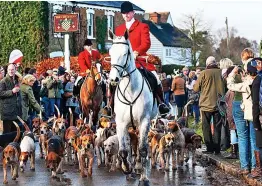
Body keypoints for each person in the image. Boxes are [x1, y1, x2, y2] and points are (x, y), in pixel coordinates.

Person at [115, 1, 169, 114]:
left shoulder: (142, 26)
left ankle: (161, 103)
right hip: (124, 64)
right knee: (112, 80)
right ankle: (110, 105)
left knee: (155, 78)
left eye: (128, 13)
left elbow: (146, 43)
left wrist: (137, 52)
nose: (126, 16)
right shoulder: (119, 29)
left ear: (133, 13)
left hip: (140, 61)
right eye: (123, 13)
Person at [227, 62, 258, 175]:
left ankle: (245, 167)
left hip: (241, 107)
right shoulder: (257, 80)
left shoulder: (246, 83)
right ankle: (255, 167)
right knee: (254, 139)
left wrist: (233, 74)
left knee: (242, 137)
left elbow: (230, 85)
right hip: (254, 112)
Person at [193, 56, 225, 155]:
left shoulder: (203, 73)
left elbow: (195, 89)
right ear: (215, 63)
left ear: (207, 64)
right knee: (217, 126)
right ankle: (217, 149)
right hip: (219, 104)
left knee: (206, 126)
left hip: (205, 104)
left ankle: (209, 147)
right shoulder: (221, 73)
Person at [0, 64, 22, 133]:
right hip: (7, 112)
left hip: (15, 111)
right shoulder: (3, 81)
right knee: (7, 133)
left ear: (15, 70)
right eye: (9, 70)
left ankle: (14, 144)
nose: (11, 71)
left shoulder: (16, 80)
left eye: (12, 69)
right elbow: (1, 94)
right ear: (7, 70)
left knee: (15, 132)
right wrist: (12, 91)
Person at [251, 57, 262, 178]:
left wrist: (255, 120)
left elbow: (255, 102)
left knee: (260, 143)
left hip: (260, 114)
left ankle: (259, 170)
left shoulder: (258, 80)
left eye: (259, 63)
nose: (257, 65)